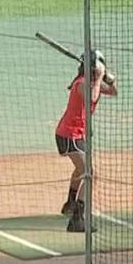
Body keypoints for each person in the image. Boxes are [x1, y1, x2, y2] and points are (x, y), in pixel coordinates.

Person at [54, 50, 117, 233]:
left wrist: (109, 78)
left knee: (80, 169)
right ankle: (77, 219)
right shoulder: (81, 84)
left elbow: (113, 92)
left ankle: (70, 204)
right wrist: (98, 78)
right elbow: (92, 97)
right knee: (89, 173)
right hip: (69, 134)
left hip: (76, 134)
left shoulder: (89, 83)